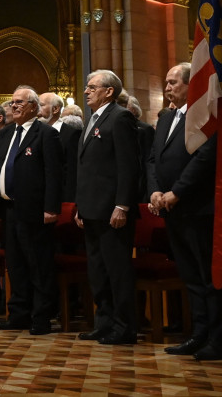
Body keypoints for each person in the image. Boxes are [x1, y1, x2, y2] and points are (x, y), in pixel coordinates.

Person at [146, 63, 222, 360]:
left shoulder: (204, 117)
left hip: (197, 207)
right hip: (170, 208)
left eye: (172, 82)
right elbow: (153, 159)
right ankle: (199, 334)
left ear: (191, 85)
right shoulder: (167, 118)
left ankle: (217, 339)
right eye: (166, 83)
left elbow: (205, 158)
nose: (167, 88)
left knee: (208, 275)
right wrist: (154, 191)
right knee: (190, 275)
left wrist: (177, 191)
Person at [0, 86, 63, 335]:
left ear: (33, 106)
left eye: (19, 102)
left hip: (35, 210)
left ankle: (41, 317)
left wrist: (51, 207)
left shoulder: (45, 134)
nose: (14, 106)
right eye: (12, 102)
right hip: (9, 209)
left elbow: (54, 174)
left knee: (37, 264)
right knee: (15, 264)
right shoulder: (6, 133)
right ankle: (18, 314)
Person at [74, 69, 141, 345]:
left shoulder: (120, 117)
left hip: (112, 210)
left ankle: (124, 327)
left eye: (92, 87)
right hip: (91, 209)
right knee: (98, 271)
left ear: (109, 91)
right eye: (87, 87)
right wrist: (80, 206)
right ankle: (104, 322)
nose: (86, 91)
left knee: (117, 271)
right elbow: (87, 168)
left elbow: (128, 166)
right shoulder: (93, 120)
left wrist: (122, 205)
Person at [38, 92, 81, 202]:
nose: (37, 110)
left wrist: (68, 203)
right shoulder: (35, 133)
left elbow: (72, 172)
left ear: (55, 109)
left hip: (60, 199)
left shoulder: (71, 134)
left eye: (41, 105)